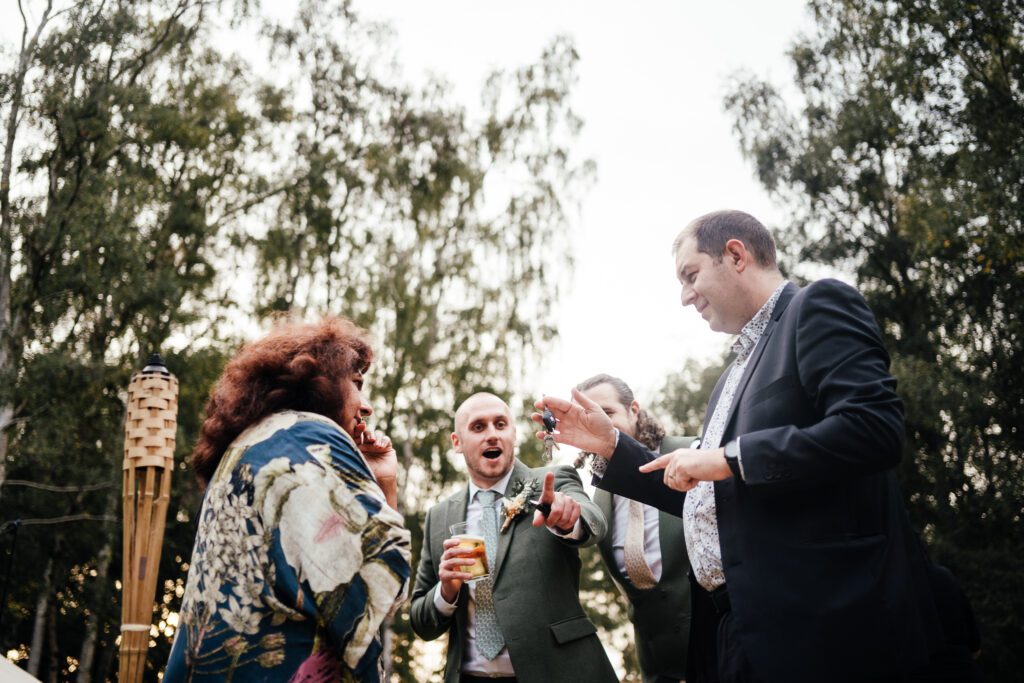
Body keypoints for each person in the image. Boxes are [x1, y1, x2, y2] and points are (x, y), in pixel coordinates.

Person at [535, 210, 941, 683]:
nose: (685, 297)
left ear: (735, 254)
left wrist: (729, 458)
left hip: (825, 628)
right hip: (737, 637)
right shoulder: (729, 377)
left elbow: (873, 429)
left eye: (690, 276)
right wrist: (611, 446)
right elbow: (706, 495)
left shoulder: (817, 306)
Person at [164, 317, 411, 682]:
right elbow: (385, 569)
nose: (365, 406)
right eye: (356, 384)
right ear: (320, 379)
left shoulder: (253, 445)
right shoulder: (306, 434)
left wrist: (381, 481)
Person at [410, 392, 617, 683]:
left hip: (558, 672)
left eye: (500, 424)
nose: (492, 435)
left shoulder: (553, 480)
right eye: (478, 427)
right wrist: (446, 591)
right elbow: (421, 622)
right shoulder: (439, 516)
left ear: (514, 434)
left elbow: (594, 521)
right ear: (457, 442)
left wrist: (569, 518)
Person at [576, 374, 695, 683]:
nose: (599, 424)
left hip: (723, 658)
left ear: (635, 410)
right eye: (589, 417)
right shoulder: (599, 498)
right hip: (657, 670)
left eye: (608, 413)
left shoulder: (693, 452)